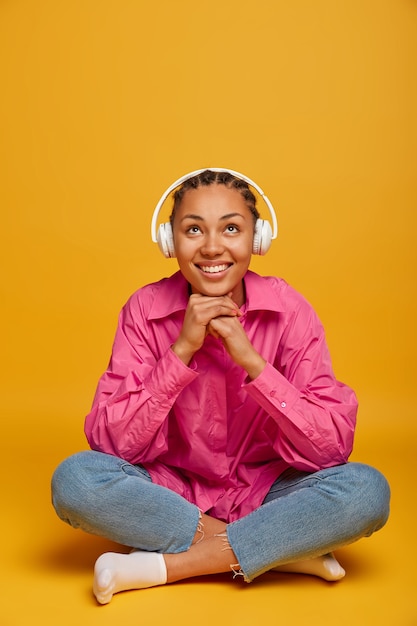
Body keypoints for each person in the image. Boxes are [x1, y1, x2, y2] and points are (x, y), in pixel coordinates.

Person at [51, 168, 390, 605]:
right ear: (171, 242)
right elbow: (113, 445)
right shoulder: (144, 309)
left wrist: (251, 359)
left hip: (269, 490)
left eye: (231, 228)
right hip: (170, 489)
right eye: (194, 230)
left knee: (365, 491)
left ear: (257, 239)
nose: (212, 247)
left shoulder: (290, 310)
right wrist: (181, 351)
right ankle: (280, 550)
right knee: (76, 481)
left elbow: (330, 449)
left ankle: (167, 568)